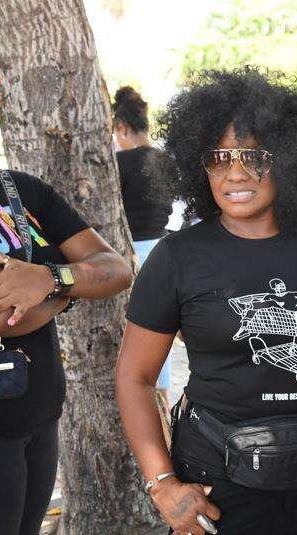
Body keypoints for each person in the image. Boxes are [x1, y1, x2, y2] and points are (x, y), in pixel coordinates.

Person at [116, 67, 297, 535]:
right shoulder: (178, 257)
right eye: (219, 157)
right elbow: (135, 377)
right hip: (216, 481)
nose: (235, 171)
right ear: (199, 164)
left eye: (253, 155)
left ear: (289, 159)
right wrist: (162, 483)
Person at [0, 39, 132, 535]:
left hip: (35, 426)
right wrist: (68, 283)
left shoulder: (22, 190)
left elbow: (117, 268)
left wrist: (46, 278)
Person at [112, 85, 174, 400]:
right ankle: (162, 398)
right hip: (162, 249)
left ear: (121, 127)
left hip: (129, 251)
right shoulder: (164, 159)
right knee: (159, 329)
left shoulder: (119, 163)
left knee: (135, 330)